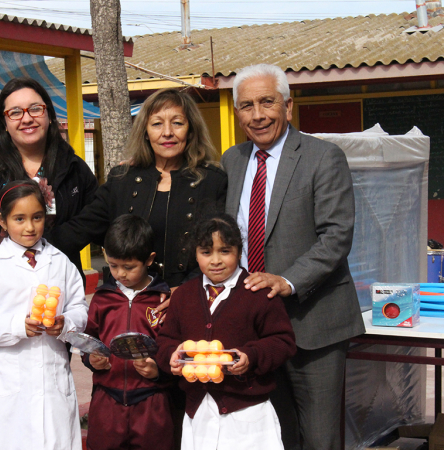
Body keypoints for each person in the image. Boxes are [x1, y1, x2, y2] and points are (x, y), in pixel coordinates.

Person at [221, 63, 365, 450]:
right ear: (237, 113)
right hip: (254, 329)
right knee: (273, 436)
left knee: (319, 439)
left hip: (312, 324)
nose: (258, 115)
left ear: (288, 106)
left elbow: (336, 236)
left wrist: (286, 281)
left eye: (267, 102)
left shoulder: (323, 157)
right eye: (247, 106)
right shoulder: (231, 161)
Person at [0, 77, 98, 309]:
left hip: (57, 301)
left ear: (49, 115)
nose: (27, 118)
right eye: (15, 112)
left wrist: (53, 243)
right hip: (0, 303)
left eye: (35, 109)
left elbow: (97, 218)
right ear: (4, 123)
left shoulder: (73, 168)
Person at [51, 88, 228, 290]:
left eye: (177, 123)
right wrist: (27, 246)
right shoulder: (123, 179)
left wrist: (183, 293)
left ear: (191, 130)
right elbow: (79, 230)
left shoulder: (212, 182)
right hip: (131, 300)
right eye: (157, 124)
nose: (167, 132)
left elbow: (221, 250)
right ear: (145, 131)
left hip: (189, 297)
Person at [0, 180, 88, 450]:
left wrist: (66, 324)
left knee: (54, 439)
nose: (30, 227)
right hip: (5, 383)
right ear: (2, 221)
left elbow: (79, 307)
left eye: (37, 217)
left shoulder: (60, 262)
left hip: (51, 379)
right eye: (20, 218)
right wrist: (17, 326)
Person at [156, 213, 296, 450]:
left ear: (240, 252)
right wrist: (171, 354)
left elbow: (283, 341)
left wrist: (251, 356)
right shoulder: (183, 295)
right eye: (206, 252)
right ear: (196, 254)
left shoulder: (258, 292)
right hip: (198, 410)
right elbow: (165, 340)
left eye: (225, 251)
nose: (216, 260)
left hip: (248, 412)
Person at [82, 214, 173, 450]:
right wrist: (91, 360)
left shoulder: (164, 301)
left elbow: (174, 347)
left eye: (129, 267)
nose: (120, 273)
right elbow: (89, 340)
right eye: (113, 266)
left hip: (152, 399)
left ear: (149, 259)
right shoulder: (102, 299)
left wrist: (158, 371)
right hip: (106, 400)